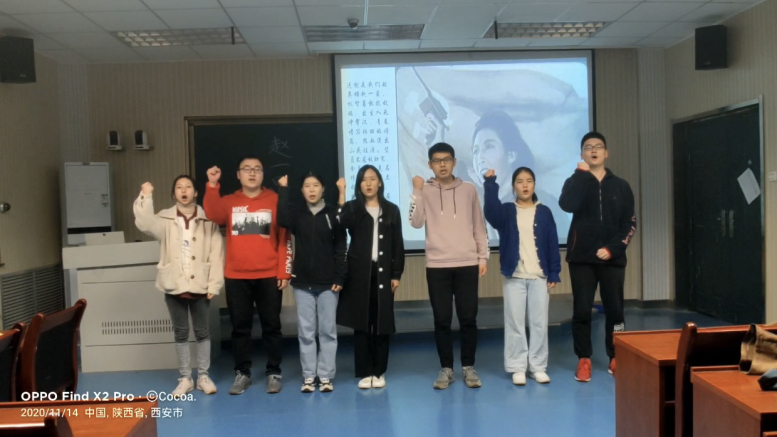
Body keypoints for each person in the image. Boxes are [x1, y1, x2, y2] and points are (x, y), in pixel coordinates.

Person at [203, 156, 292, 394]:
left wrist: (284, 270)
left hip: (269, 274)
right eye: (247, 169)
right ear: (238, 174)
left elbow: (284, 237)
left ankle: (274, 372)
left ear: (263, 174)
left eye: (257, 169)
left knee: (271, 326)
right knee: (240, 328)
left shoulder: (274, 199)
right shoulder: (230, 202)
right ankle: (242, 373)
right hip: (237, 276)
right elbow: (213, 214)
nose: (252, 173)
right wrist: (212, 185)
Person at [133, 176, 223, 396]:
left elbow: (217, 253)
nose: (184, 191)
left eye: (188, 187)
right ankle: (185, 378)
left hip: (201, 283)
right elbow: (145, 223)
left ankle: (203, 376)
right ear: (174, 194)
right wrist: (146, 195)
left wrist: (214, 284)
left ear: (196, 192)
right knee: (181, 332)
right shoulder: (165, 218)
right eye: (179, 188)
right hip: (173, 283)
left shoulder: (208, 219)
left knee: (202, 331)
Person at [409, 142, 489, 390]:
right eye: (436, 160)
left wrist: (482, 257)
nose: (442, 164)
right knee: (442, 319)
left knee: (468, 318)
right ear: (430, 164)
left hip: (467, 263)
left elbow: (479, 225)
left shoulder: (469, 189)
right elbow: (415, 222)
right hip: (437, 265)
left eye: (446, 160)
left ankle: (468, 367)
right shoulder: (425, 191)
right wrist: (417, 191)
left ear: (454, 162)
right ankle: (446, 369)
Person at [559, 132, 636, 382]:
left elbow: (630, 224)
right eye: (588, 147)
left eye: (598, 146)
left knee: (615, 311)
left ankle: (616, 355)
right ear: (582, 154)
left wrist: (613, 249)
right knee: (582, 310)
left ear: (606, 153)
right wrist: (580, 176)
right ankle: (584, 359)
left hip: (612, 259)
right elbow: (567, 205)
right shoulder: (575, 181)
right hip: (582, 259)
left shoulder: (621, 186)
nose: (593, 150)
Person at [483, 167, 561, 386]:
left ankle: (538, 366)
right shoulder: (507, 210)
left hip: (539, 276)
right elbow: (491, 213)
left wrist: (554, 272)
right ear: (513, 186)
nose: (525, 185)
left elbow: (552, 243)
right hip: (514, 276)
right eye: (519, 181)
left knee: (539, 323)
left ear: (534, 184)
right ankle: (517, 366)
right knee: (515, 323)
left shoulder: (544, 212)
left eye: (529, 181)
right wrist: (490, 184)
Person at [277, 171, 347, 393]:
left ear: (323, 189)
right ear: (302, 190)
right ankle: (309, 376)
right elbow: (282, 219)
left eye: (316, 185)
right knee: (306, 332)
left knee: (327, 331)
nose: (312, 189)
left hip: (328, 283)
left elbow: (341, 246)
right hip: (302, 283)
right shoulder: (298, 215)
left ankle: (325, 376)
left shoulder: (332, 214)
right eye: (307, 186)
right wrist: (283, 190)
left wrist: (340, 276)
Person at [336, 165, 405, 389]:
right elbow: (340, 223)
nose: (368, 183)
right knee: (362, 322)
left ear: (380, 183)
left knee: (382, 322)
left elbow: (398, 245)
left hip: (384, 273)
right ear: (359, 184)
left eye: (372, 179)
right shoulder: (353, 208)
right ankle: (365, 372)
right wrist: (341, 195)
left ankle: (379, 371)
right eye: (363, 179)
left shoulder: (391, 210)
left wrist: (396, 274)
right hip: (359, 274)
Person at [468, 110, 570, 242]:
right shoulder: (472, 207)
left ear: (511, 155)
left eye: (489, 146)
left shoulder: (544, 203)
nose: (479, 158)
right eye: (475, 151)